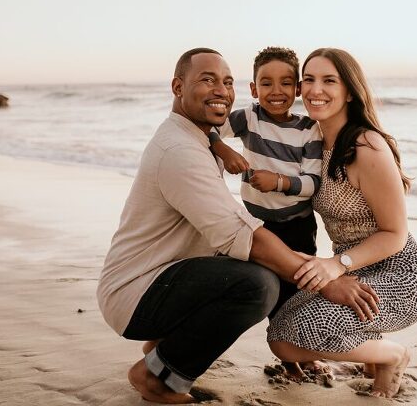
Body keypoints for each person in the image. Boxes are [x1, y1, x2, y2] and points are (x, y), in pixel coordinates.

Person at [96, 48, 379, 404]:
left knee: (259, 273)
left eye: (227, 82)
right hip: (135, 293)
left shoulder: (193, 138)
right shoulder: (180, 151)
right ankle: (158, 376)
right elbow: (245, 237)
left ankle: (163, 350)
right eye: (208, 80)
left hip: (156, 277)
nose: (221, 90)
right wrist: (328, 282)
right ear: (177, 87)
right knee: (256, 286)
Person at [267, 48, 417, 398]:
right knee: (279, 335)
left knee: (294, 341)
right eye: (309, 80)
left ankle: (392, 356)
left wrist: (336, 264)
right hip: (351, 271)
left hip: (399, 272)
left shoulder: (366, 146)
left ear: (349, 91)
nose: (316, 90)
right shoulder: (309, 142)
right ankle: (369, 353)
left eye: (329, 80)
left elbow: (396, 234)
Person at [209, 46, 323, 377]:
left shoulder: (308, 129)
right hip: (258, 225)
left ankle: (305, 349)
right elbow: (209, 126)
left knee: (300, 290)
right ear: (254, 89)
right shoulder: (248, 118)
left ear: (298, 89)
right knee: (272, 293)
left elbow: (312, 182)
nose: (277, 92)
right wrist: (222, 150)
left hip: (299, 225)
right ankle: (290, 362)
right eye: (267, 83)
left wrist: (280, 182)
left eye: (286, 83)